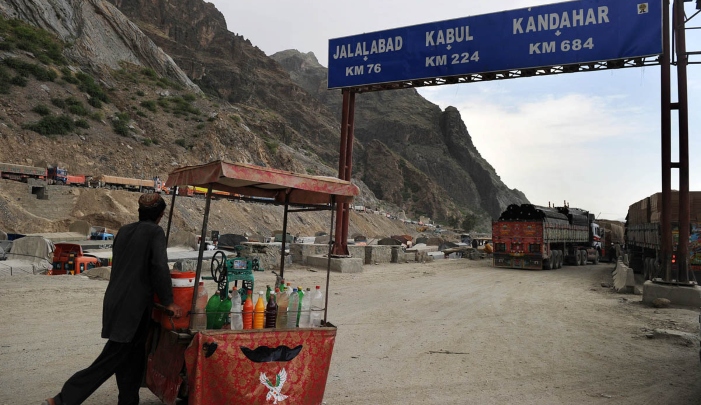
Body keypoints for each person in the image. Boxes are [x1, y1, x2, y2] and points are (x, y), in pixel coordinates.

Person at [43, 193, 182, 405]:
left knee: (133, 360)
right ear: (161, 215)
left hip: (115, 301)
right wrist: (169, 301)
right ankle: (63, 400)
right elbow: (159, 268)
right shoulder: (155, 232)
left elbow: (129, 268)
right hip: (132, 309)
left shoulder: (124, 231)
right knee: (110, 359)